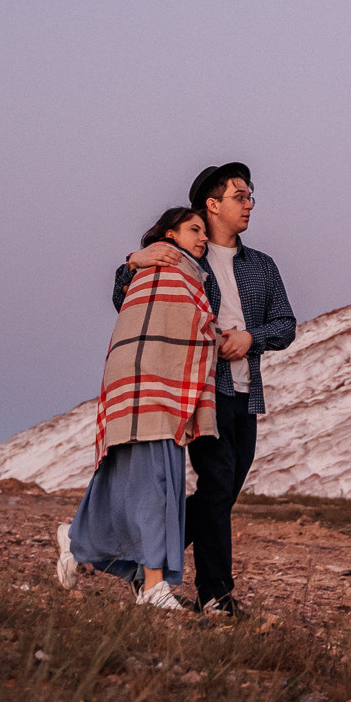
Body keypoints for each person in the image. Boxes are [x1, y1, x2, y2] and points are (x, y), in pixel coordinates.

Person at [117, 162, 295, 615]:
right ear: (212, 204)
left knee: (223, 491)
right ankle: (216, 595)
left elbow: (286, 324)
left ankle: (145, 567)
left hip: (245, 393)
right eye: (240, 196)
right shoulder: (184, 258)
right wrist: (133, 260)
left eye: (251, 196)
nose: (249, 204)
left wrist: (251, 337)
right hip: (201, 392)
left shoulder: (262, 265)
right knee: (216, 483)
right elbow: (125, 295)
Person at [56, 204, 219, 611]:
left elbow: (188, 324)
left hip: (157, 383)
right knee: (155, 483)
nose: (203, 238)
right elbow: (153, 317)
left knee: (132, 479)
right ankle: (152, 586)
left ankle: (77, 541)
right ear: (169, 234)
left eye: (204, 232)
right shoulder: (159, 268)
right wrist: (133, 260)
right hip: (146, 380)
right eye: (194, 229)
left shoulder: (192, 275)